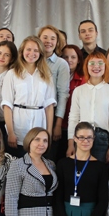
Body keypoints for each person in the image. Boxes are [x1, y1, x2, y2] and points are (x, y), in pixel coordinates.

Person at [2, 36, 56, 158]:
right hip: (19, 128)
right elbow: (7, 105)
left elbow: (49, 106)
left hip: (39, 126)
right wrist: (11, 132)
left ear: (40, 53)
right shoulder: (12, 74)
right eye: (28, 49)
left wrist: (49, 133)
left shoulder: (46, 75)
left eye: (36, 50)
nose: (32, 53)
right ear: (22, 52)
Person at [67, 52, 109, 162]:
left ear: (105, 66)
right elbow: (73, 118)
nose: (96, 66)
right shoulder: (79, 90)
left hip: (102, 138)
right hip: (81, 137)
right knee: (81, 169)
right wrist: (70, 144)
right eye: (92, 63)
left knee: (99, 169)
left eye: (100, 63)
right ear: (86, 67)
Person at [37, 26, 70, 160]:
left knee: (48, 157)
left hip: (52, 114)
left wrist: (58, 124)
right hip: (33, 113)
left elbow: (63, 94)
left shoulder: (61, 64)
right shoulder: (32, 60)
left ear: (57, 42)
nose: (48, 41)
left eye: (52, 38)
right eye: (45, 37)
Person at [57, 45, 86, 160]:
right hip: (57, 124)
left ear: (78, 60)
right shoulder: (56, 74)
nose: (69, 60)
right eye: (65, 57)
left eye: (73, 57)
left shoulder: (84, 79)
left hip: (74, 126)